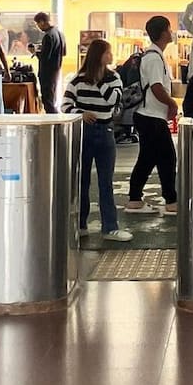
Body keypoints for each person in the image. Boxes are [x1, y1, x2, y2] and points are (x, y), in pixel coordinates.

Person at [63, 38, 131, 242]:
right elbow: (64, 105)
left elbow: (113, 100)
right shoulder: (77, 80)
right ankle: (80, 225)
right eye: (107, 52)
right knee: (81, 180)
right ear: (98, 55)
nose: (111, 56)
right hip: (84, 132)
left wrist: (98, 80)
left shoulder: (114, 78)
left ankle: (110, 227)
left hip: (106, 130)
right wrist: (81, 113)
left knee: (105, 182)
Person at [126, 15, 178, 216]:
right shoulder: (154, 58)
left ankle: (135, 198)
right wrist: (171, 103)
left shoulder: (152, 56)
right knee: (167, 157)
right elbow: (157, 87)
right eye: (169, 29)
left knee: (148, 158)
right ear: (163, 32)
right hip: (151, 116)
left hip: (147, 115)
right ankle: (171, 200)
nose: (171, 32)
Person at [33, 11, 65, 113]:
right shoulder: (59, 33)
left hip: (47, 73)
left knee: (48, 102)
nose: (38, 26)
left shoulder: (48, 36)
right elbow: (63, 52)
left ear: (42, 22)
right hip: (56, 71)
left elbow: (45, 58)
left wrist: (35, 52)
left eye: (37, 24)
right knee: (52, 99)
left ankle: (54, 122)